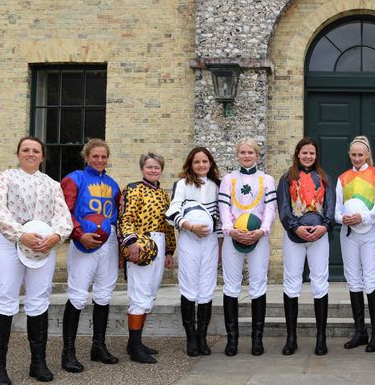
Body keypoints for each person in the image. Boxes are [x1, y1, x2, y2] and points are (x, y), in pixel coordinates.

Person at [0, 136, 73, 384]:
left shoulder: (52, 184)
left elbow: (63, 217)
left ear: (42, 156)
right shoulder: (6, 177)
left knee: (39, 300)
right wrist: (20, 234)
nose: (31, 154)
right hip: (10, 244)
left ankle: (38, 363)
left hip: (43, 246)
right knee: (4, 299)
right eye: (26, 150)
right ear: (18, 154)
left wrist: (56, 236)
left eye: (36, 150)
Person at [60, 138, 122, 372]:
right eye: (95, 156)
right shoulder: (74, 178)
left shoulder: (113, 184)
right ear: (86, 157)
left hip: (108, 243)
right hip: (83, 243)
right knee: (77, 295)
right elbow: (64, 211)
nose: (99, 160)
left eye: (103, 156)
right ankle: (68, 353)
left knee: (104, 294)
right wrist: (78, 234)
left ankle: (98, 347)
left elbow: (117, 217)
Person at [277, 137, 336, 356]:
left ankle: (321, 337)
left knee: (320, 282)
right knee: (292, 282)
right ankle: (291, 337)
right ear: (298, 154)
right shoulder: (286, 178)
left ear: (316, 155)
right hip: (294, 236)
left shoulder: (325, 178)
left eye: (312, 153)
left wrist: (325, 226)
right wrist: (294, 227)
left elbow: (330, 206)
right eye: (304, 153)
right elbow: (283, 208)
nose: (308, 156)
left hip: (319, 236)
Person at [218, 138, 276, 356]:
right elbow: (223, 207)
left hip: (258, 237)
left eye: (250, 152)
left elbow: (270, 208)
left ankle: (256, 340)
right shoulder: (228, 179)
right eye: (242, 152)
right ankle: (232, 340)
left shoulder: (267, 179)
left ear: (257, 155)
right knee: (231, 286)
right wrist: (230, 229)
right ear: (237, 154)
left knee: (258, 285)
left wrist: (262, 230)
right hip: (233, 236)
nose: (246, 155)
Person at [116, 152, 175, 364]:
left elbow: (167, 225)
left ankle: (136, 343)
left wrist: (169, 250)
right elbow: (126, 218)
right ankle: (134, 346)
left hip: (159, 243)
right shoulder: (133, 189)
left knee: (149, 293)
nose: (153, 170)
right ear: (142, 168)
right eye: (149, 167)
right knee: (139, 294)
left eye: (157, 167)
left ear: (161, 169)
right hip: (141, 244)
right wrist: (131, 243)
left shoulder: (163, 194)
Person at [166, 146, 222, 357]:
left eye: (204, 161)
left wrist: (220, 248)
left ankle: (202, 337)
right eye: (196, 162)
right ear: (190, 164)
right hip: (189, 241)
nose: (201, 165)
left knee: (207, 287)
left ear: (210, 164)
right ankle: (190, 339)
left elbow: (219, 218)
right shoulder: (182, 184)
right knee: (189, 286)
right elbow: (172, 212)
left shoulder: (217, 186)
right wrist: (190, 227)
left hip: (210, 243)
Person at [334, 136, 375, 353]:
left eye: (360, 154)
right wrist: (342, 219)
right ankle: (360, 332)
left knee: (371, 279)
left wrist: (363, 218)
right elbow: (337, 209)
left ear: (367, 155)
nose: (357, 158)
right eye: (353, 155)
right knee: (353, 279)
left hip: (369, 233)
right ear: (349, 155)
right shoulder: (342, 178)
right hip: (348, 234)